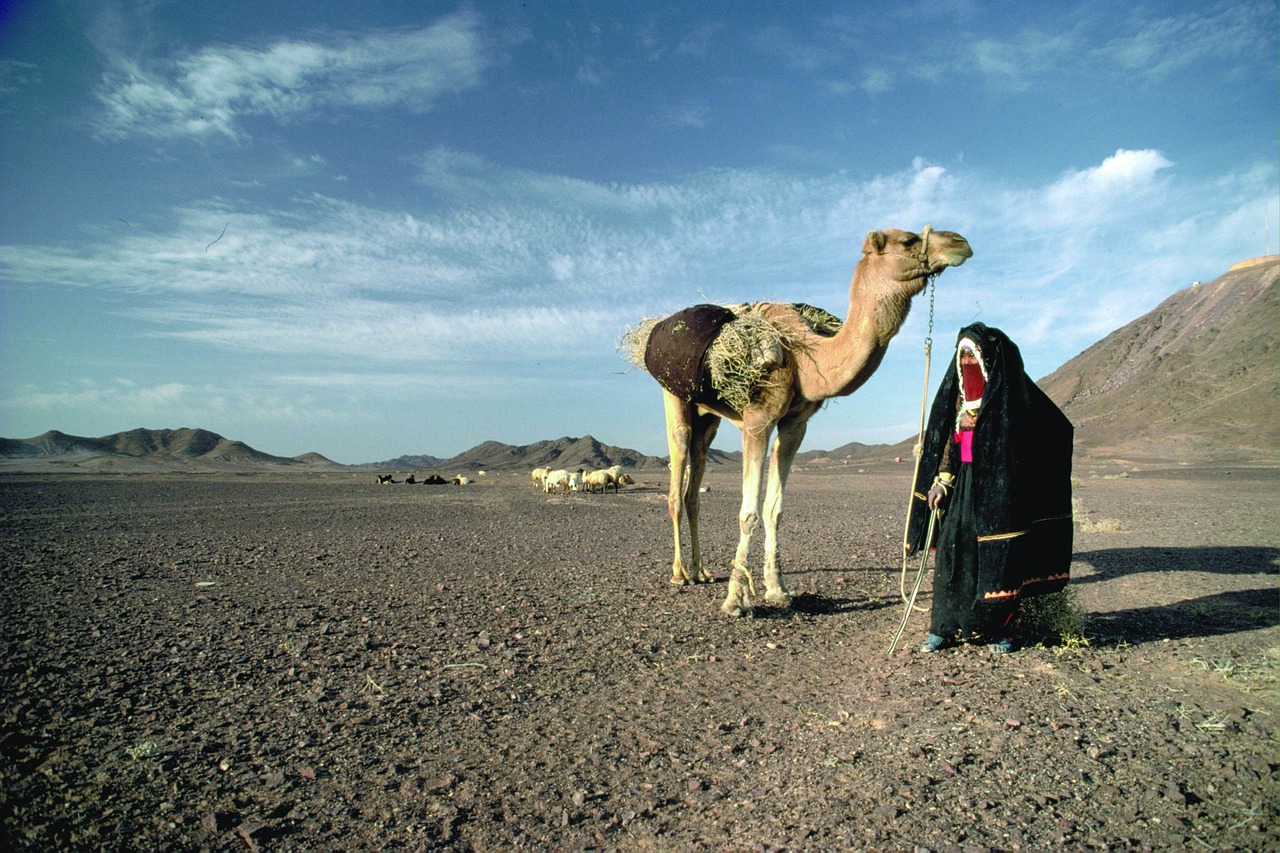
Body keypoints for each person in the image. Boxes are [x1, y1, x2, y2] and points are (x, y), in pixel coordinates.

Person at [905, 323, 1074, 654]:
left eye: (973, 355)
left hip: (999, 496)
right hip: (962, 491)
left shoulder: (1010, 404)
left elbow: (1047, 433)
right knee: (953, 558)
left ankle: (995, 630)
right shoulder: (960, 405)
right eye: (962, 355)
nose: (967, 361)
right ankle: (943, 627)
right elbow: (951, 449)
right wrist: (941, 482)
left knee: (996, 562)